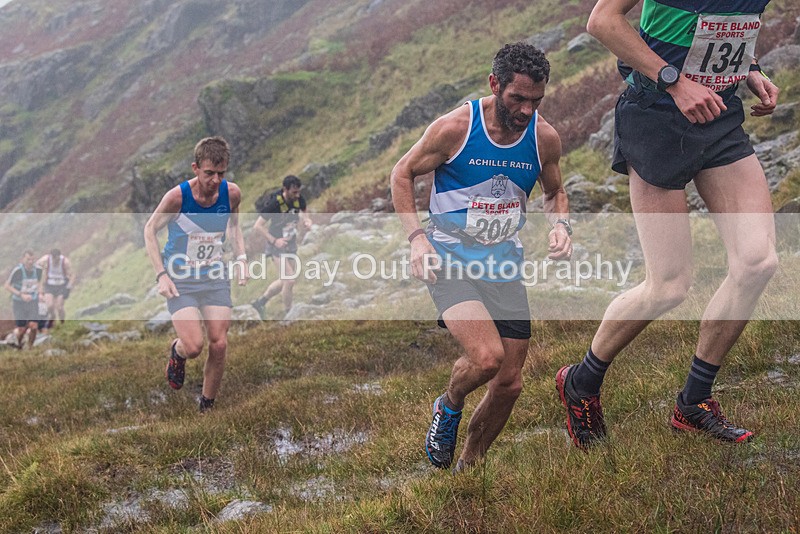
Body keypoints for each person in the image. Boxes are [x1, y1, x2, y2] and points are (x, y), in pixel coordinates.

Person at [555, 0, 779, 450]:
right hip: (655, 114)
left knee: (758, 263)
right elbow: (602, 20)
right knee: (669, 286)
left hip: (717, 115)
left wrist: (750, 67)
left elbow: (729, 22)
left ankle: (693, 402)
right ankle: (581, 381)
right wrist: (676, 82)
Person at [391, 42, 572, 471]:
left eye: (536, 100)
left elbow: (554, 191)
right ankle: (449, 402)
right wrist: (416, 239)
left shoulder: (543, 138)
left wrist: (561, 226)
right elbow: (402, 173)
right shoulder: (456, 128)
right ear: (494, 84)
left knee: (509, 384)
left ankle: (469, 466)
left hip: (503, 263)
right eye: (518, 98)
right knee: (487, 358)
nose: (527, 110)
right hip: (450, 258)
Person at [144, 136, 248, 413]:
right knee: (193, 347)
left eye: (221, 173)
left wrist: (241, 258)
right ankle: (177, 352)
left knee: (219, 343)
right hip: (181, 279)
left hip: (214, 276)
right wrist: (161, 275)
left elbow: (234, 227)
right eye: (209, 173)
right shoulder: (177, 198)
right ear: (195, 168)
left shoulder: (232, 194)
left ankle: (207, 406)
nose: (215, 180)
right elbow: (149, 230)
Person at [250, 175, 312, 318]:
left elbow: (305, 212)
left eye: (299, 192)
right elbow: (258, 226)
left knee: (285, 280)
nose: (297, 195)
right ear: (285, 189)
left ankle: (260, 302)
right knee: (290, 280)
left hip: (290, 243)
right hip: (276, 245)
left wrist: (307, 221)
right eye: (294, 192)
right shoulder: (274, 204)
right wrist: (274, 241)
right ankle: (289, 315)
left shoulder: (299, 199)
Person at [4, 250, 44, 349]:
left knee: (34, 326)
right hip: (19, 302)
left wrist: (40, 293)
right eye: (28, 259)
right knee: (22, 329)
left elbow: (39, 282)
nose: (30, 262)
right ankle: (18, 345)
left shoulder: (38, 270)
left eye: (32, 259)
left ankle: (30, 348)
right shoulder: (17, 271)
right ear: (23, 259)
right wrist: (21, 295)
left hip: (33, 301)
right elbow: (7, 286)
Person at [36, 248, 73, 329]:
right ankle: (52, 317)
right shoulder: (45, 259)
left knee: (59, 307)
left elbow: (72, 275)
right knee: (49, 305)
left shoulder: (65, 262)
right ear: (51, 257)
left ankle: (62, 322)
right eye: (54, 259)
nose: (55, 261)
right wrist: (39, 285)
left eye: (57, 259)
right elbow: (36, 266)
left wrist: (69, 286)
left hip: (61, 286)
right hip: (49, 285)